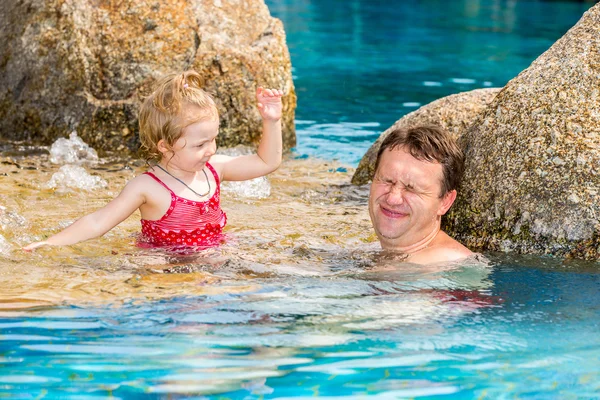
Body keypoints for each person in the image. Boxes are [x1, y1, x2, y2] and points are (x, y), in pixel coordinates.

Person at [23, 70, 284, 250]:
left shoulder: (214, 170)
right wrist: (50, 243)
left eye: (213, 139)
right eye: (200, 144)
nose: (211, 150)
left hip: (211, 253)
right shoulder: (147, 187)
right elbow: (98, 222)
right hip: (165, 262)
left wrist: (271, 121)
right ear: (165, 146)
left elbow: (266, 163)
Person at [368, 125, 472, 264]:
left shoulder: (451, 263)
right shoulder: (393, 258)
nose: (393, 198)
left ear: (445, 201)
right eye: (387, 181)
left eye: (411, 189)